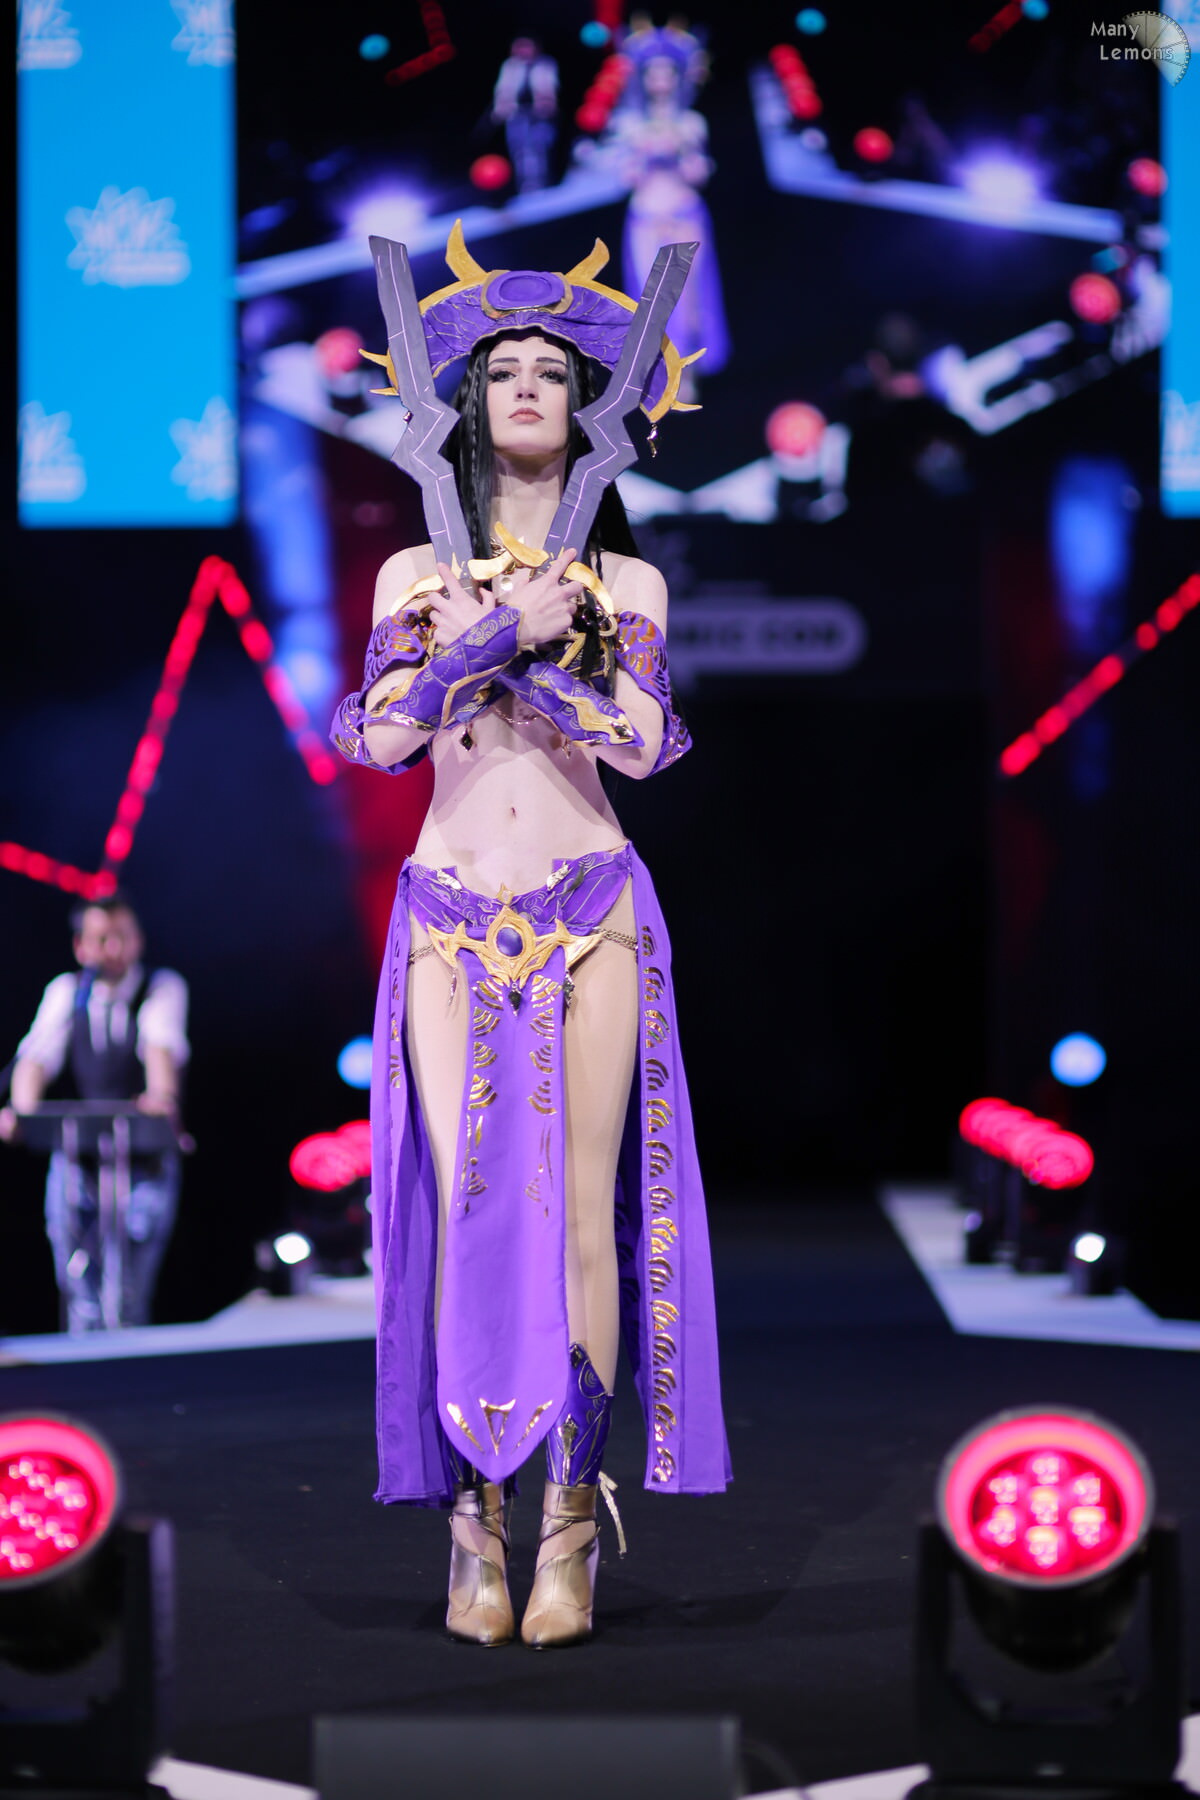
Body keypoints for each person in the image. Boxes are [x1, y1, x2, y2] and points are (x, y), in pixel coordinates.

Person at [331, 225, 729, 1650]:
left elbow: (647, 749)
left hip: (588, 910)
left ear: (590, 404)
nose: (523, 386)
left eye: (551, 371)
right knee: (463, 1210)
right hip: (450, 916)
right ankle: (470, 1536)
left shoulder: (627, 587)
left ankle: (568, 1528)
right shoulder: (415, 580)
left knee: (576, 1220)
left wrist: (557, 639)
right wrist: (479, 640)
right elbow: (376, 738)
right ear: (461, 400)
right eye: (499, 368)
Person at [0, 894, 188, 1332]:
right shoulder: (68, 992)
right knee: (79, 1292)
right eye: (103, 939)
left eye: (123, 936)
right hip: (80, 1162)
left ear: (138, 940)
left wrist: (160, 1097)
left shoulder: (160, 987)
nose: (114, 949)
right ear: (81, 946)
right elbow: (36, 1057)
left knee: (128, 1295)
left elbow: (160, 1047)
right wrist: (22, 1112)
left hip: (143, 1165)